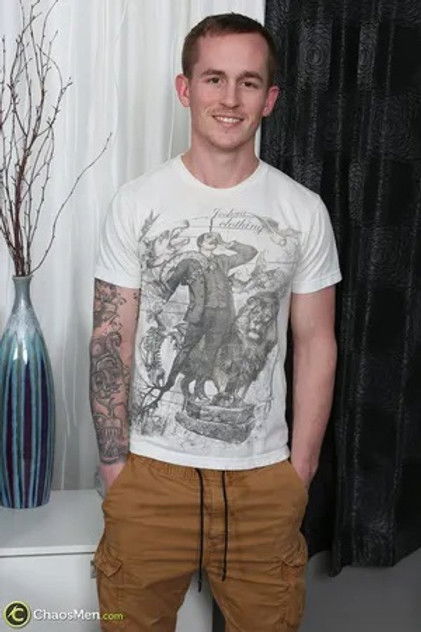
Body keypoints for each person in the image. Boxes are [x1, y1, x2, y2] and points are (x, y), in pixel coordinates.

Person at [90, 12, 341, 632]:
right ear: (186, 89)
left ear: (269, 99)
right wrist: (116, 468)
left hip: (263, 485)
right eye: (214, 79)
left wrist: (300, 472)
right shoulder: (137, 203)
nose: (230, 99)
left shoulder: (302, 211)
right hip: (151, 479)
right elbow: (112, 337)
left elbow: (316, 342)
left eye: (248, 82)